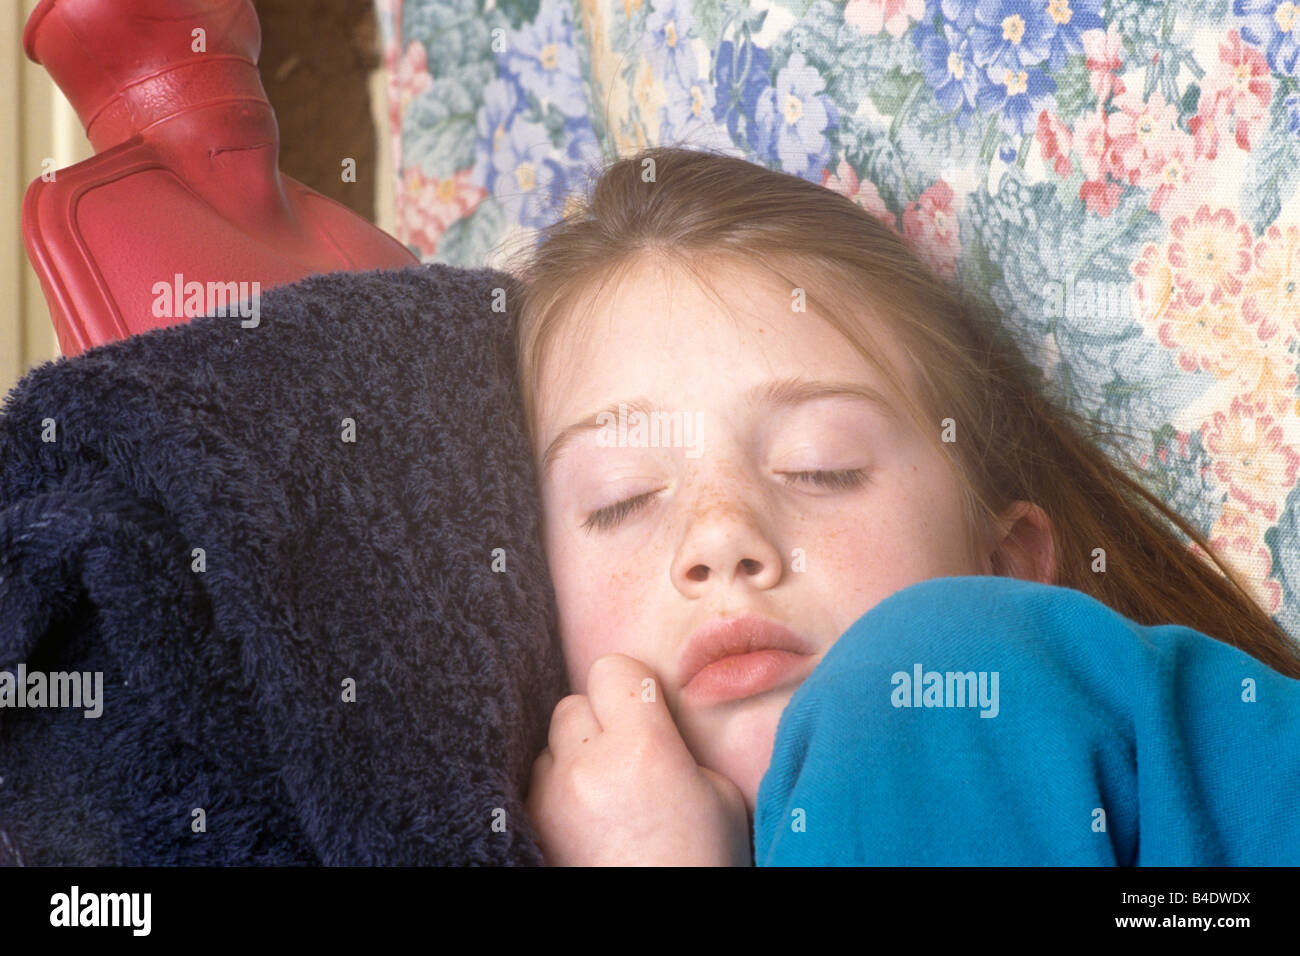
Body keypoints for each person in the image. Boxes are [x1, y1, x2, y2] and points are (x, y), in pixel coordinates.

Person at [507, 145, 1300, 866]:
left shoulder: (938, 668)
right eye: (623, 499)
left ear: (1008, 564)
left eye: (821, 467)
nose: (720, 536)